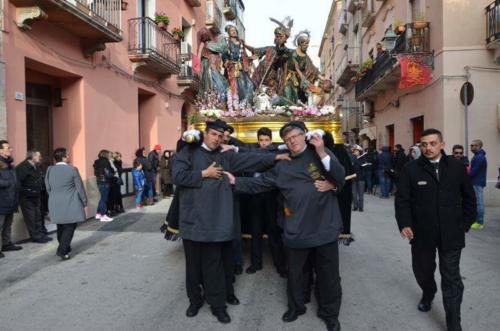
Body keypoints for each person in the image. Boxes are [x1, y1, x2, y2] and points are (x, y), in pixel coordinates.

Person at [225, 121, 345, 331]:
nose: (292, 142)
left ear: (304, 135)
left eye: (295, 136)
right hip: (296, 229)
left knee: (328, 276)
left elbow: (340, 177)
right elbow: (260, 183)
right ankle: (296, 306)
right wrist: (236, 182)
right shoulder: (282, 165)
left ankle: (330, 314)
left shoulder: (321, 154)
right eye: (287, 139)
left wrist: (325, 160)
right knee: (296, 274)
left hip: (324, 227)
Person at [172, 120, 290, 324]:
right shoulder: (188, 152)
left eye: (220, 135)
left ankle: (218, 306)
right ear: (205, 134)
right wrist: (204, 173)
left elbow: (252, 159)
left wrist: (277, 156)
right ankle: (195, 301)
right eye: (213, 134)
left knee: (215, 266)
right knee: (193, 267)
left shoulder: (225, 157)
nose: (217, 138)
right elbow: (178, 176)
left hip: (216, 223)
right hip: (193, 222)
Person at [395, 129, 476, 331]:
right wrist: (405, 223)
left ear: (442, 145)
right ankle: (428, 292)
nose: (428, 148)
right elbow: (402, 200)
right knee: (423, 271)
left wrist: (465, 223)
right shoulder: (411, 169)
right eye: (424, 144)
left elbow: (469, 198)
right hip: (422, 234)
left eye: (432, 143)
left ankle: (453, 322)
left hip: (451, 233)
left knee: (451, 277)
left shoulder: (457, 167)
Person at [246, 127, 286, 275]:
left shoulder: (276, 153)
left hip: (271, 197)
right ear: (258, 140)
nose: (264, 143)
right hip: (255, 198)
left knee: (273, 232)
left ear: (270, 140)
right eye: (261, 140)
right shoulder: (252, 153)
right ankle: (256, 264)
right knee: (255, 232)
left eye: (266, 140)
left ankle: (280, 265)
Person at [45, 148, 88, 260]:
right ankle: (62, 250)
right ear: (64, 157)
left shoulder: (50, 169)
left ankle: (65, 247)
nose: (69, 156)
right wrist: (84, 201)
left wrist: (54, 196)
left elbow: (48, 187)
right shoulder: (72, 169)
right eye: (68, 155)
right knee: (70, 226)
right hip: (70, 201)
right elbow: (79, 187)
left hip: (54, 201)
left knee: (60, 226)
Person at [16, 150, 52, 243]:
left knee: (38, 215)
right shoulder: (22, 167)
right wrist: (27, 191)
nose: (40, 158)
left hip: (37, 194)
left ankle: (40, 234)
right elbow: (18, 183)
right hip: (27, 196)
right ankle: (36, 236)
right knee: (31, 217)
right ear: (32, 156)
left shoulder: (36, 166)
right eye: (38, 156)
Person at [0, 140, 22, 257]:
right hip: (2, 199)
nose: (10, 150)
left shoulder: (9, 163)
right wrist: (9, 183)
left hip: (11, 198)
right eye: (7, 148)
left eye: (10, 148)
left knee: (8, 223)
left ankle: (6, 244)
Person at [469, 139, 487, 230]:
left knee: (479, 202)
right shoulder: (478, 156)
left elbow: (474, 171)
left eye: (473, 146)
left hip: (477, 182)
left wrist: (466, 177)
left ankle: (480, 222)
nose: (471, 147)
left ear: (478, 146)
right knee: (477, 202)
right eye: (471, 146)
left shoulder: (479, 157)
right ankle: (477, 220)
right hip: (476, 182)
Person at [93, 150, 114, 222]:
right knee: (104, 199)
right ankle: (103, 215)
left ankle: (98, 213)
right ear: (105, 155)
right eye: (108, 154)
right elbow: (110, 171)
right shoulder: (106, 161)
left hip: (99, 181)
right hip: (105, 182)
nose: (109, 155)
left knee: (102, 198)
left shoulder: (96, 162)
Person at [351, 145, 366, 212]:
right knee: (354, 194)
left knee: (361, 194)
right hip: (353, 178)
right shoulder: (352, 158)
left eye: (357, 151)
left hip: (361, 178)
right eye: (354, 151)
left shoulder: (363, 158)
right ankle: (355, 206)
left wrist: (356, 161)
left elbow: (364, 166)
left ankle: (361, 207)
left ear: (359, 152)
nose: (355, 152)